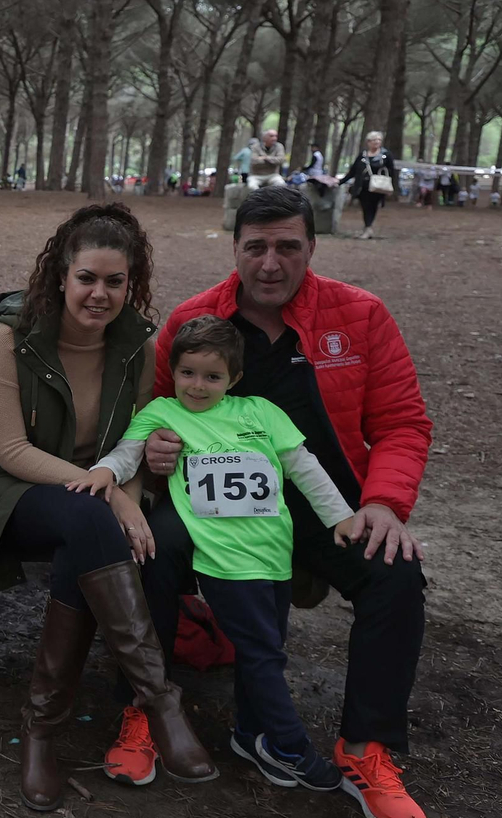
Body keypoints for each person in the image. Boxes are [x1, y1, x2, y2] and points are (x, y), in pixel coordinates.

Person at [117, 185, 432, 818]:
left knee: (395, 575)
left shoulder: (361, 315)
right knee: (150, 546)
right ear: (235, 247)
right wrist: (156, 451)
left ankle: (364, 749)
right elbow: (152, 417)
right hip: (210, 504)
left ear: (311, 248)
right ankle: (143, 707)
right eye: (256, 246)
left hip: (323, 500)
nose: (270, 262)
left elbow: (403, 421)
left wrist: (383, 503)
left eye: (288, 246)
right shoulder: (194, 320)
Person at [0, 204, 216, 812]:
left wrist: (129, 483)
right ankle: (158, 697)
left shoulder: (138, 347)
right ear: (61, 276)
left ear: (132, 283)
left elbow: (138, 439)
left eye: (114, 281)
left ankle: (42, 731)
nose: (99, 294)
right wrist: (115, 493)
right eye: (87, 278)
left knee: (87, 530)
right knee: (92, 516)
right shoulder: (11, 338)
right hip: (10, 494)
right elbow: (12, 450)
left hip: (89, 511)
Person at [74, 315, 357, 792]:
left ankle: (250, 734)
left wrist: (341, 517)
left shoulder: (261, 413)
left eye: (212, 376)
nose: (198, 386)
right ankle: (289, 746)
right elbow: (128, 451)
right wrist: (105, 471)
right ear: (174, 370)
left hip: (273, 552)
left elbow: (304, 467)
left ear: (234, 379)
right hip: (222, 559)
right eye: (187, 373)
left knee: (267, 648)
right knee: (263, 653)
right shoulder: (163, 412)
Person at [340, 131, 395, 239]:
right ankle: (367, 227)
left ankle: (368, 228)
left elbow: (391, 171)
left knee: (373, 207)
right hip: (363, 187)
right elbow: (353, 171)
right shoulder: (363, 155)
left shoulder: (386, 155)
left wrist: (390, 186)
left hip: (378, 187)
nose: (377, 142)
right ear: (368, 142)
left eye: (379, 140)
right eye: (374, 140)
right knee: (365, 207)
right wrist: (340, 182)